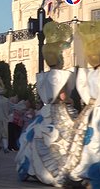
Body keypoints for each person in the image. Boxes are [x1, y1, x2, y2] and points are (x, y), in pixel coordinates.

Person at [15, 21, 76, 187]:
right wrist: (71, 100)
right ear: (59, 57)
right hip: (59, 112)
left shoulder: (43, 76)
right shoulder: (61, 76)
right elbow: (62, 97)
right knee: (65, 140)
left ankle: (34, 169)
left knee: (36, 139)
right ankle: (56, 173)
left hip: (45, 112)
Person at [64, 21, 100, 188]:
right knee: (92, 144)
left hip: (92, 113)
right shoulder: (93, 73)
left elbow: (83, 88)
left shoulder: (91, 73)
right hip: (94, 114)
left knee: (90, 144)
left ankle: (83, 174)